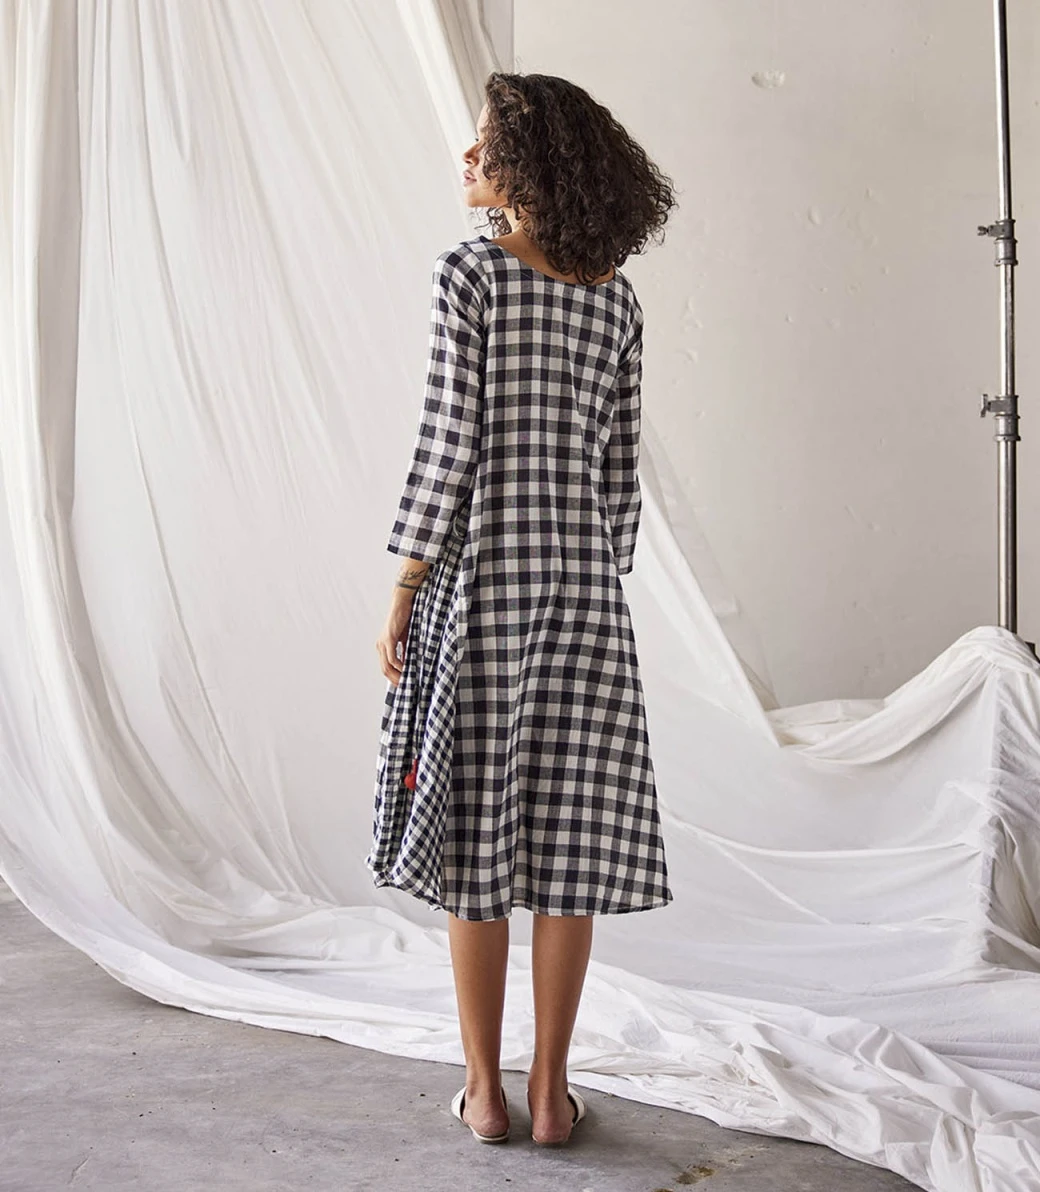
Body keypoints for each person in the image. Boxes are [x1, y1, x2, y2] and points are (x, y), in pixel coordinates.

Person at [371, 72, 678, 1147]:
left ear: (531, 164)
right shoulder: (614, 299)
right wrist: (590, 571)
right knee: (568, 839)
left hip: (480, 588)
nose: (467, 158)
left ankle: (484, 1092)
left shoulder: (472, 276)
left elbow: (447, 442)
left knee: (476, 839)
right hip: (583, 597)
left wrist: (405, 584)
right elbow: (618, 475)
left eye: (486, 142)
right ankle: (551, 1093)